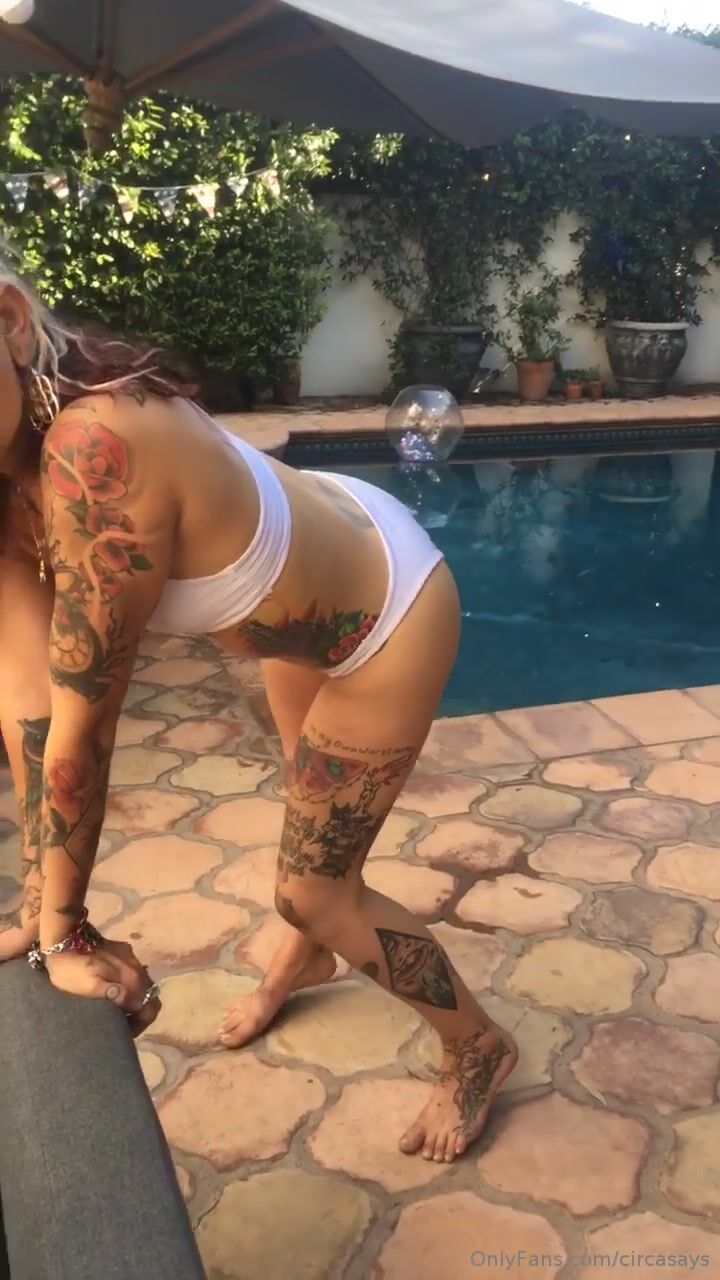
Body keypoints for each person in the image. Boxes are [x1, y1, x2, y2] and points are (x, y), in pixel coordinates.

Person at [0, 270, 517, 1164]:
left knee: (313, 889)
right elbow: (32, 711)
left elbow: (87, 723)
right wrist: (43, 902)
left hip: (388, 614)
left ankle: (477, 1046)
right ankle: (307, 958)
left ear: (8, 318)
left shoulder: (95, 445)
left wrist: (67, 934)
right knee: (319, 849)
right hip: (305, 593)